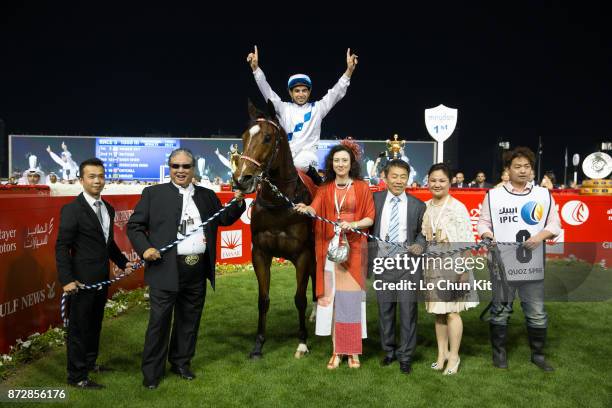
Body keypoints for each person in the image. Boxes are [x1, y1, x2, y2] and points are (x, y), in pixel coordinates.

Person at [127, 148, 246, 389]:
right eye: (175, 166)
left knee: (189, 321)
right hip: (165, 269)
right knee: (159, 322)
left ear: (194, 169)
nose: (180, 171)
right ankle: (152, 372)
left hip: (197, 270)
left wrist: (238, 201)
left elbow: (222, 220)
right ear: (169, 168)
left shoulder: (206, 195)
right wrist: (145, 249)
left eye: (185, 166)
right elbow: (135, 226)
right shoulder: (153, 194)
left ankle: (181, 362)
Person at [477, 146, 560, 372]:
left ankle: (538, 355)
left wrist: (539, 236)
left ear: (532, 170)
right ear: (508, 169)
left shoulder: (543, 195)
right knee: (500, 310)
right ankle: (500, 355)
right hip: (501, 264)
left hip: (532, 265)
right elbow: (483, 222)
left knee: (536, 312)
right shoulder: (493, 195)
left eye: (527, 167)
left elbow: (555, 225)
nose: (523, 171)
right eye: (517, 166)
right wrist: (488, 235)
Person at [56, 158, 135, 389]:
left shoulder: (108, 208)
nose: (97, 180)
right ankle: (77, 376)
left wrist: (122, 263)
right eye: (91, 176)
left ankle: (90, 364)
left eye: (100, 176)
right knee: (79, 329)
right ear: (81, 180)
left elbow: (107, 244)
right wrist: (67, 279)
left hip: (101, 279)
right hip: (81, 282)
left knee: (95, 323)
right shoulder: (72, 210)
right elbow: (62, 246)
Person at [295, 141, 374, 370]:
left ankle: (353, 351)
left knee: (351, 302)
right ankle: (337, 351)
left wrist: (354, 224)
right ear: (332, 163)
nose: (340, 164)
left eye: (345, 161)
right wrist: (306, 208)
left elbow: (369, 217)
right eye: (337, 160)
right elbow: (315, 208)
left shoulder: (361, 187)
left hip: (355, 250)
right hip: (332, 253)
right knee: (333, 303)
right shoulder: (325, 188)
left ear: (351, 164)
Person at [247, 46, 358, 183]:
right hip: (286, 158)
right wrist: (256, 69)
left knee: (299, 163)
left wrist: (349, 71)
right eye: (297, 91)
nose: (301, 94)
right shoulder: (283, 108)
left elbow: (336, 92)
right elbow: (267, 92)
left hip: (308, 159)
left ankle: (319, 183)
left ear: (309, 92)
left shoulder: (318, 108)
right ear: (291, 93)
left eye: (304, 90)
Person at [368, 159, 426, 375]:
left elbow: (423, 232)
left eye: (403, 176)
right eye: (395, 176)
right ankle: (389, 351)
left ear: (408, 178)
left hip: (407, 266)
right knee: (385, 311)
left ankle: (406, 356)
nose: (399, 181)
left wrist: (420, 244)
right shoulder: (375, 200)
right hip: (383, 263)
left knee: (408, 311)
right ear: (385, 177)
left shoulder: (418, 205)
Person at [421, 163, 479, 376]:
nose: (437, 184)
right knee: (438, 313)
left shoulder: (458, 207)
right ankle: (441, 354)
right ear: (428, 181)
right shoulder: (426, 206)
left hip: (454, 266)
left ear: (450, 182)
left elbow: (466, 242)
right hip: (432, 267)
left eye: (442, 180)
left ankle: (454, 355)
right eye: (433, 180)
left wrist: (463, 272)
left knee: (453, 312)